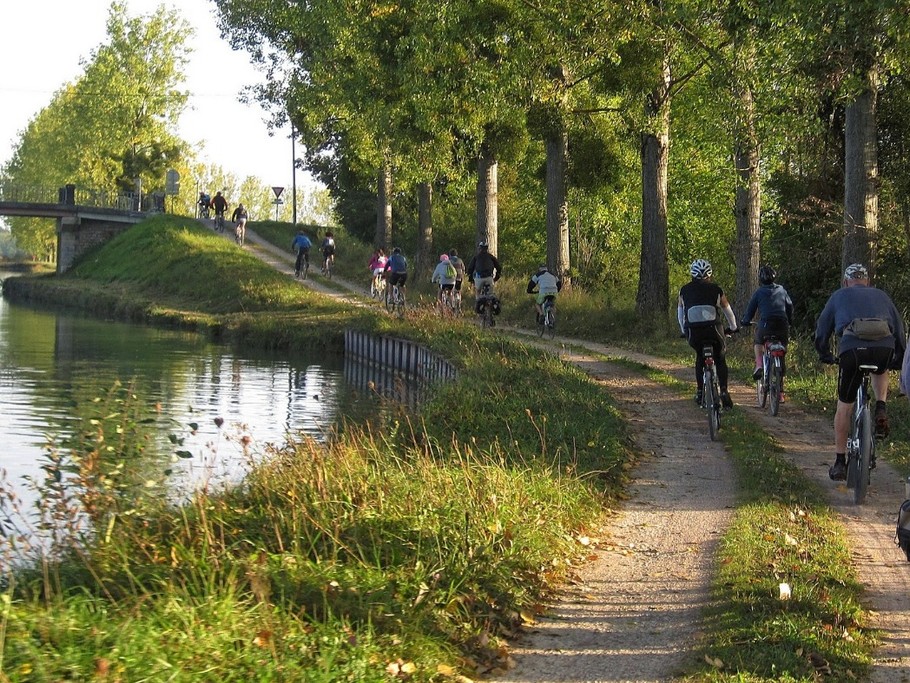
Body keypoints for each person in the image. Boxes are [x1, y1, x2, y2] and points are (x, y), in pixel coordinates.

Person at [814, 263, 906, 481]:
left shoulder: (839, 295)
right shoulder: (881, 295)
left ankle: (839, 462)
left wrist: (824, 352)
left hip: (853, 350)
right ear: (867, 281)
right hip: (884, 348)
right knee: (880, 368)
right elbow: (899, 329)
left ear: (846, 281)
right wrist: (899, 358)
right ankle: (881, 407)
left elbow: (822, 328)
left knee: (844, 405)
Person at [677, 259, 738, 409]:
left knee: (700, 357)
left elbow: (680, 314)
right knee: (720, 357)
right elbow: (728, 311)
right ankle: (723, 390)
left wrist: (683, 330)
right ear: (709, 274)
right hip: (714, 330)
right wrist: (733, 327)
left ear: (692, 273)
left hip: (693, 331)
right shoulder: (716, 289)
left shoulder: (684, 290)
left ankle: (699, 392)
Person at [741, 265, 794, 395]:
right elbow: (790, 307)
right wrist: (790, 321)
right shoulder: (782, 290)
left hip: (766, 325)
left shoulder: (759, 292)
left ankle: (759, 365)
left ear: (760, 279)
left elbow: (750, 310)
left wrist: (745, 321)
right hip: (782, 325)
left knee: (758, 342)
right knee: (782, 351)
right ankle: (781, 392)